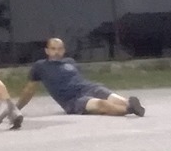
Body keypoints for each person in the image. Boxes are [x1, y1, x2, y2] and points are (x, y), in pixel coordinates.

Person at [14, 37, 145, 118]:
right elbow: (29, 90)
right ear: (47, 51)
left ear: (63, 50)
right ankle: (129, 109)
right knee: (101, 104)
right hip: (73, 100)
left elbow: (79, 80)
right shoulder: (40, 66)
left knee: (109, 95)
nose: (56, 52)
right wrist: (16, 108)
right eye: (53, 49)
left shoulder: (70, 62)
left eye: (59, 49)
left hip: (88, 88)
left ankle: (129, 103)